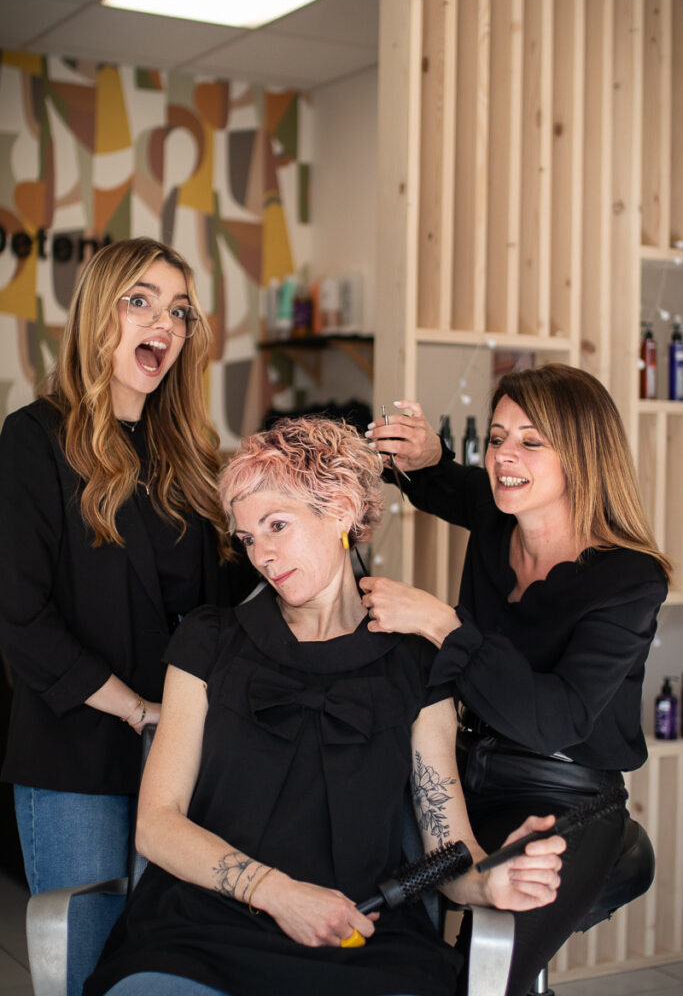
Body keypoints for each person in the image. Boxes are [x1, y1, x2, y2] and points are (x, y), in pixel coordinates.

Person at [84, 416, 564, 996]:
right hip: (201, 934)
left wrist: (491, 883)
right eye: (247, 537)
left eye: (276, 525)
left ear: (338, 510)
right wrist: (279, 894)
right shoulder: (208, 642)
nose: (260, 553)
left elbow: (447, 847)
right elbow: (157, 826)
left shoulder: (415, 661)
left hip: (366, 943)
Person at [361, 363, 670, 996]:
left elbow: (555, 718)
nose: (505, 455)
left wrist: (445, 626)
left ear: (581, 455)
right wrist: (426, 454)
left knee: (487, 973)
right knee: (374, 915)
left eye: (531, 441)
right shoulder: (499, 515)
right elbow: (443, 482)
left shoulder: (630, 581)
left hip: (565, 794)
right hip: (461, 766)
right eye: (498, 436)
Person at [0, 237, 258, 995]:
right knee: (88, 966)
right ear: (97, 315)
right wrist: (138, 709)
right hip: (76, 754)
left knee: (159, 965)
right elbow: (18, 614)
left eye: (178, 309)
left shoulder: (188, 454)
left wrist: (311, 528)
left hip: (177, 758)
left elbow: (211, 599)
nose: (165, 323)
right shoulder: (33, 439)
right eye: (140, 299)